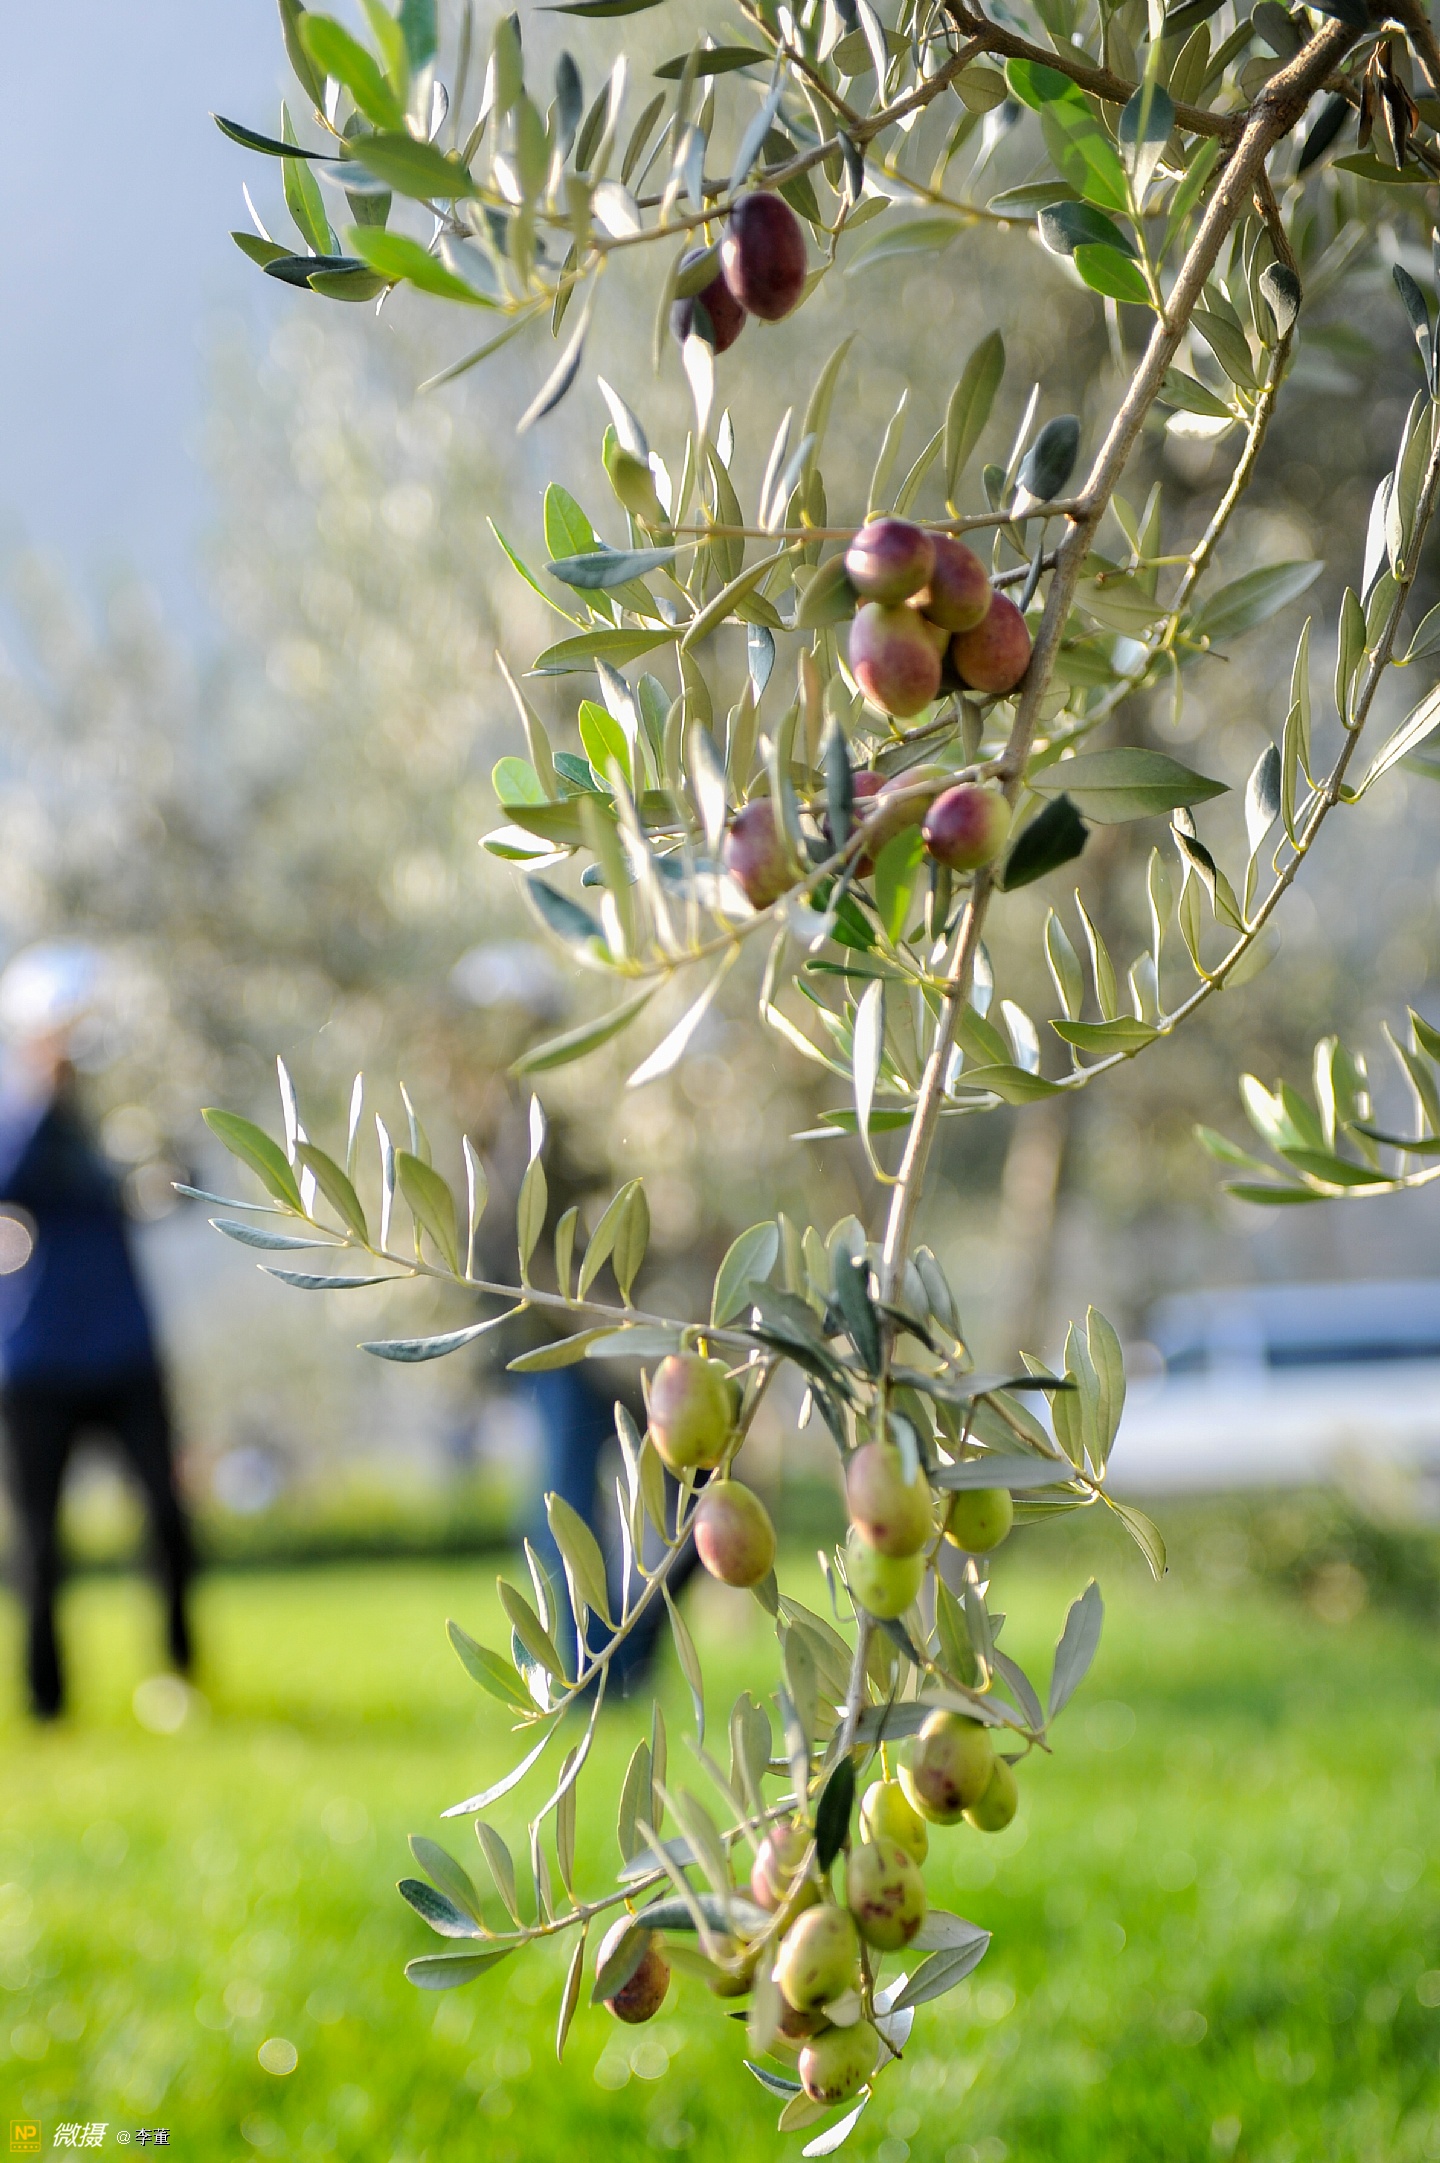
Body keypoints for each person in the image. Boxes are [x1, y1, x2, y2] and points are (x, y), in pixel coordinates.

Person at [0, 942, 193, 1720]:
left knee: (168, 1522)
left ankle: (180, 1669)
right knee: (41, 1540)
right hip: (37, 1358)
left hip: (124, 1348)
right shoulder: (22, 1115)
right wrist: (45, 1091)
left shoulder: (122, 1113)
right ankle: (48, 1700)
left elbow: (180, 1181)